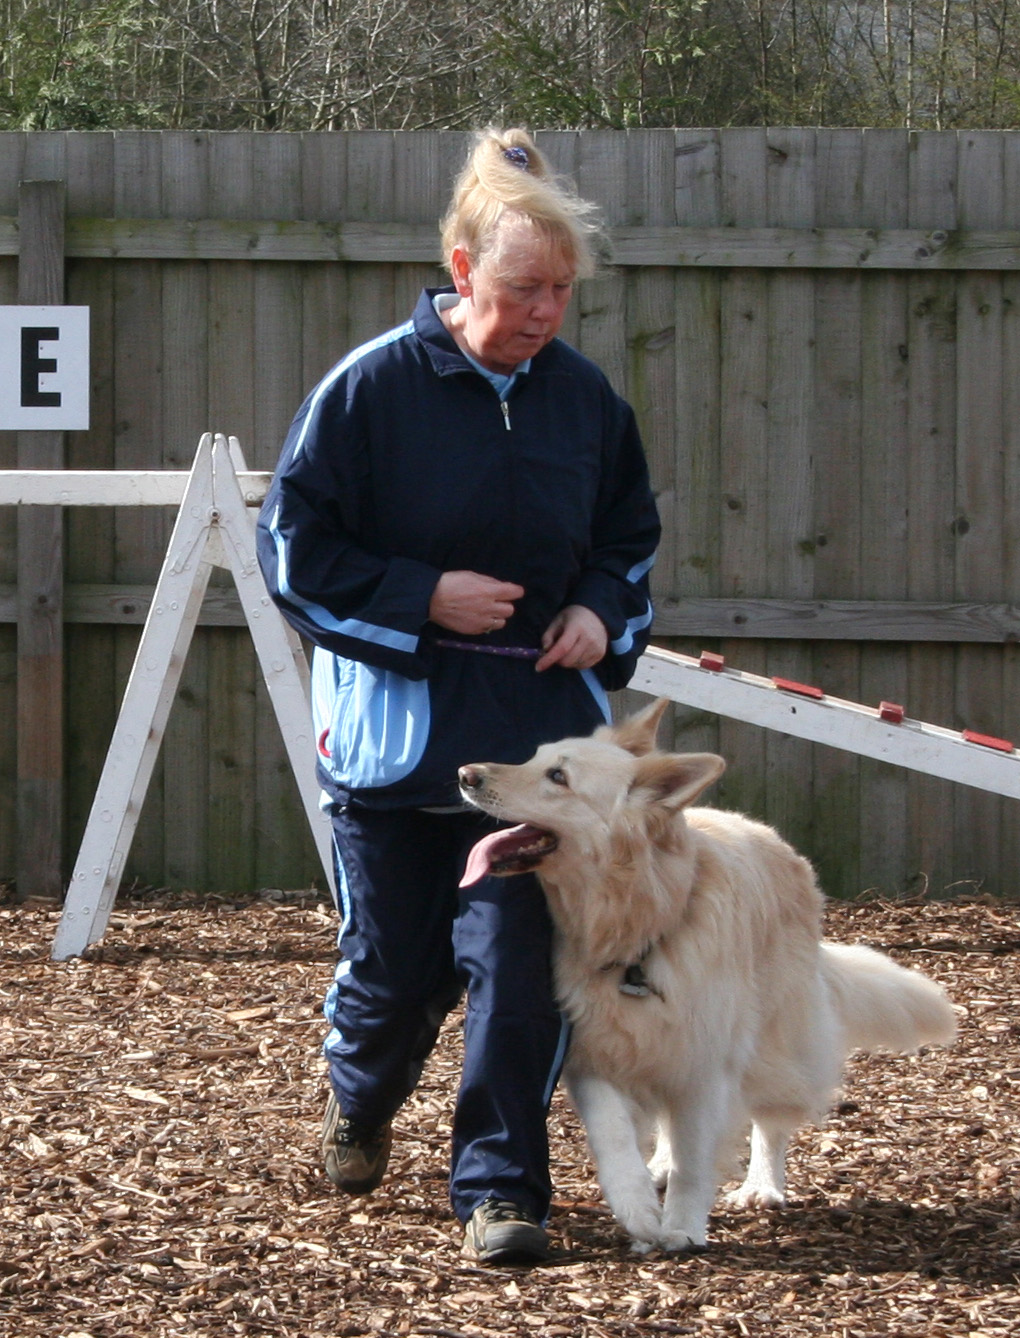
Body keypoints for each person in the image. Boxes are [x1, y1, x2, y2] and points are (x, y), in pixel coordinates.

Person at [256, 127, 660, 1265]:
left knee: (521, 975)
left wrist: (596, 610)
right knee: (394, 982)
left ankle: (500, 1194)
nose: (545, 312)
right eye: (526, 288)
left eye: (564, 293)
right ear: (461, 265)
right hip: (398, 759)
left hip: (536, 762)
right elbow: (294, 554)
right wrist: (424, 595)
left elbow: (629, 543)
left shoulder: (586, 405)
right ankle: (360, 1100)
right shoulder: (369, 391)